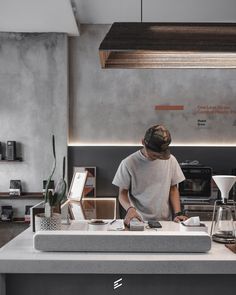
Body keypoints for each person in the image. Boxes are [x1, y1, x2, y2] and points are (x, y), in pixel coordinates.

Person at [112, 124, 188, 226]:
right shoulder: (128, 163)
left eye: (160, 155)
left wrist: (178, 213)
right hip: (139, 221)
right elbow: (122, 194)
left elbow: (173, 189)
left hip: (165, 222)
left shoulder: (171, 160)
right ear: (143, 142)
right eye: (154, 155)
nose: (157, 157)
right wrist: (130, 209)